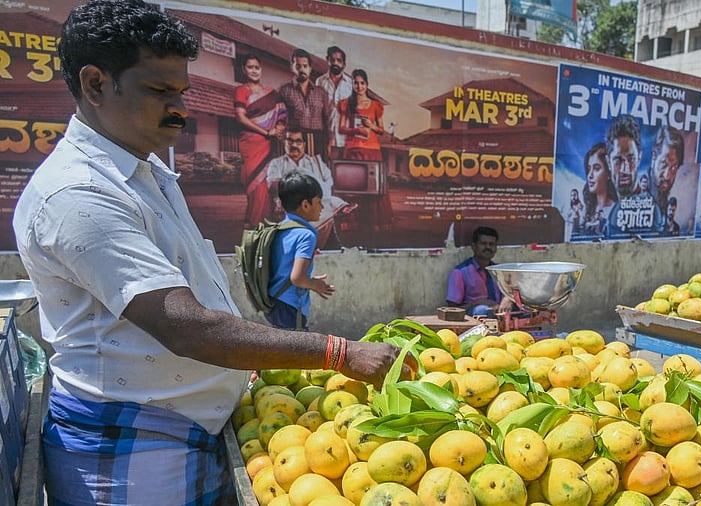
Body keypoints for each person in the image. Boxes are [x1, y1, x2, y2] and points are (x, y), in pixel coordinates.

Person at [12, 2, 411, 504]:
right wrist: (340, 352)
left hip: (190, 433)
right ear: (95, 85)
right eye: (160, 92)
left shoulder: (145, 171)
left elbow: (198, 292)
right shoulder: (78, 193)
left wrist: (252, 358)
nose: (180, 108)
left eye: (181, 91)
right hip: (136, 453)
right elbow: (185, 325)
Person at [267, 172, 335, 331]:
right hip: (290, 307)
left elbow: (283, 269)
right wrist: (315, 284)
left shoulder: (281, 229)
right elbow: (297, 278)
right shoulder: (306, 235)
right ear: (305, 205)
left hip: (274, 303)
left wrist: (308, 280)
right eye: (318, 202)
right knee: (296, 352)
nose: (322, 207)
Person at [265, 129, 353, 247]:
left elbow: (327, 186)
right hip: (291, 206)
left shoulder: (317, 163)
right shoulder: (277, 163)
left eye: (298, 141)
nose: (294, 145)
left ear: (304, 144)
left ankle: (328, 243)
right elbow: (273, 185)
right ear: (284, 143)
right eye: (290, 141)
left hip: (317, 204)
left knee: (325, 206)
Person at [234, 53, 287, 228]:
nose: (254, 71)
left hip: (268, 144)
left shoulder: (271, 93)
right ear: (244, 70)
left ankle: (264, 222)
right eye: (250, 67)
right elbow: (241, 118)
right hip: (251, 142)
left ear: (261, 70)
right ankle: (253, 221)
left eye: (257, 67)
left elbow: (281, 113)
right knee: (253, 182)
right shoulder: (241, 91)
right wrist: (265, 131)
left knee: (266, 181)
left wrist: (278, 128)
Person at [446, 226, 513, 317]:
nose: (488, 247)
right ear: (474, 246)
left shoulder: (499, 271)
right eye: (483, 243)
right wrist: (477, 303)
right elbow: (451, 310)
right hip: (474, 318)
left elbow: (513, 291)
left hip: (500, 313)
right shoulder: (460, 272)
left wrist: (508, 298)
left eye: (491, 244)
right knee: (482, 310)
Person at [279, 48, 331, 159]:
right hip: (295, 140)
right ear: (292, 67)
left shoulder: (321, 92)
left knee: (316, 173)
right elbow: (279, 119)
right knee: (296, 174)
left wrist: (329, 142)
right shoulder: (285, 90)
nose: (301, 69)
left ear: (310, 68)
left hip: (317, 140)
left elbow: (327, 119)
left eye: (305, 66)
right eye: (298, 66)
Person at [315, 46, 353, 160]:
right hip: (327, 137)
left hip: (346, 139)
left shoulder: (351, 84)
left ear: (344, 64)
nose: (335, 63)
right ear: (328, 60)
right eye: (332, 60)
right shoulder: (320, 81)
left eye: (339, 60)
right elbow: (318, 110)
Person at [339, 69, 385, 161]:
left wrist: (371, 125)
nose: (359, 86)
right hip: (353, 147)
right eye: (356, 83)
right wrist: (357, 130)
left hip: (372, 148)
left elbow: (381, 130)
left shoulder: (376, 105)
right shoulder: (346, 103)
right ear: (352, 85)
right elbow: (341, 128)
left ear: (367, 84)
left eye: (362, 83)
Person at [582, 141, 617, 238]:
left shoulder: (616, 210)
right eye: (589, 169)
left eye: (596, 168)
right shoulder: (586, 210)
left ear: (608, 174)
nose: (590, 175)